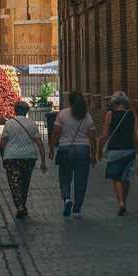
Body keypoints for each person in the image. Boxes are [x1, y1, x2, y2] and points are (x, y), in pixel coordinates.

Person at [48, 91, 97, 219]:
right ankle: (77, 210)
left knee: (64, 178)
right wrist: (94, 154)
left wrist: (51, 148)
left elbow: (56, 133)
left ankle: (67, 198)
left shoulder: (62, 114)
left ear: (70, 102)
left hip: (66, 150)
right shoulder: (87, 117)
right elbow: (92, 137)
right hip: (83, 150)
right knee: (81, 181)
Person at [98, 91, 138, 215]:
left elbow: (104, 135)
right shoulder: (132, 115)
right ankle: (124, 201)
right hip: (129, 149)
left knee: (116, 177)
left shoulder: (110, 114)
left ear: (114, 103)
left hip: (115, 150)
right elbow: (137, 135)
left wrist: (98, 149)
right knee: (126, 178)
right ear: (126, 103)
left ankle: (121, 202)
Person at [0, 100, 47, 218]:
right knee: (25, 182)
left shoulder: (9, 124)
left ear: (15, 111)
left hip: (12, 157)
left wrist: (3, 156)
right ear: (26, 111)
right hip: (29, 157)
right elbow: (39, 143)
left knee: (14, 183)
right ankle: (23, 205)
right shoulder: (32, 124)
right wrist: (43, 161)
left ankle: (19, 205)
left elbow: (2, 143)